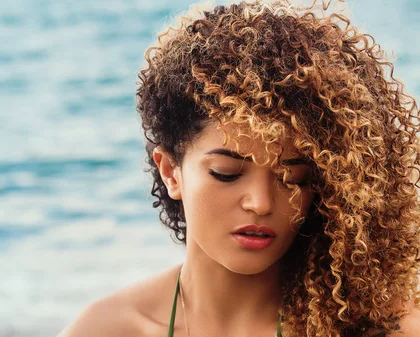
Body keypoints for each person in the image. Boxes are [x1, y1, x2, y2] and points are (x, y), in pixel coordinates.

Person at [58, 0, 420, 336]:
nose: (261, 203)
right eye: (227, 172)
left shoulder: (385, 328)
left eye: (292, 178)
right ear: (171, 171)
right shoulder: (106, 329)